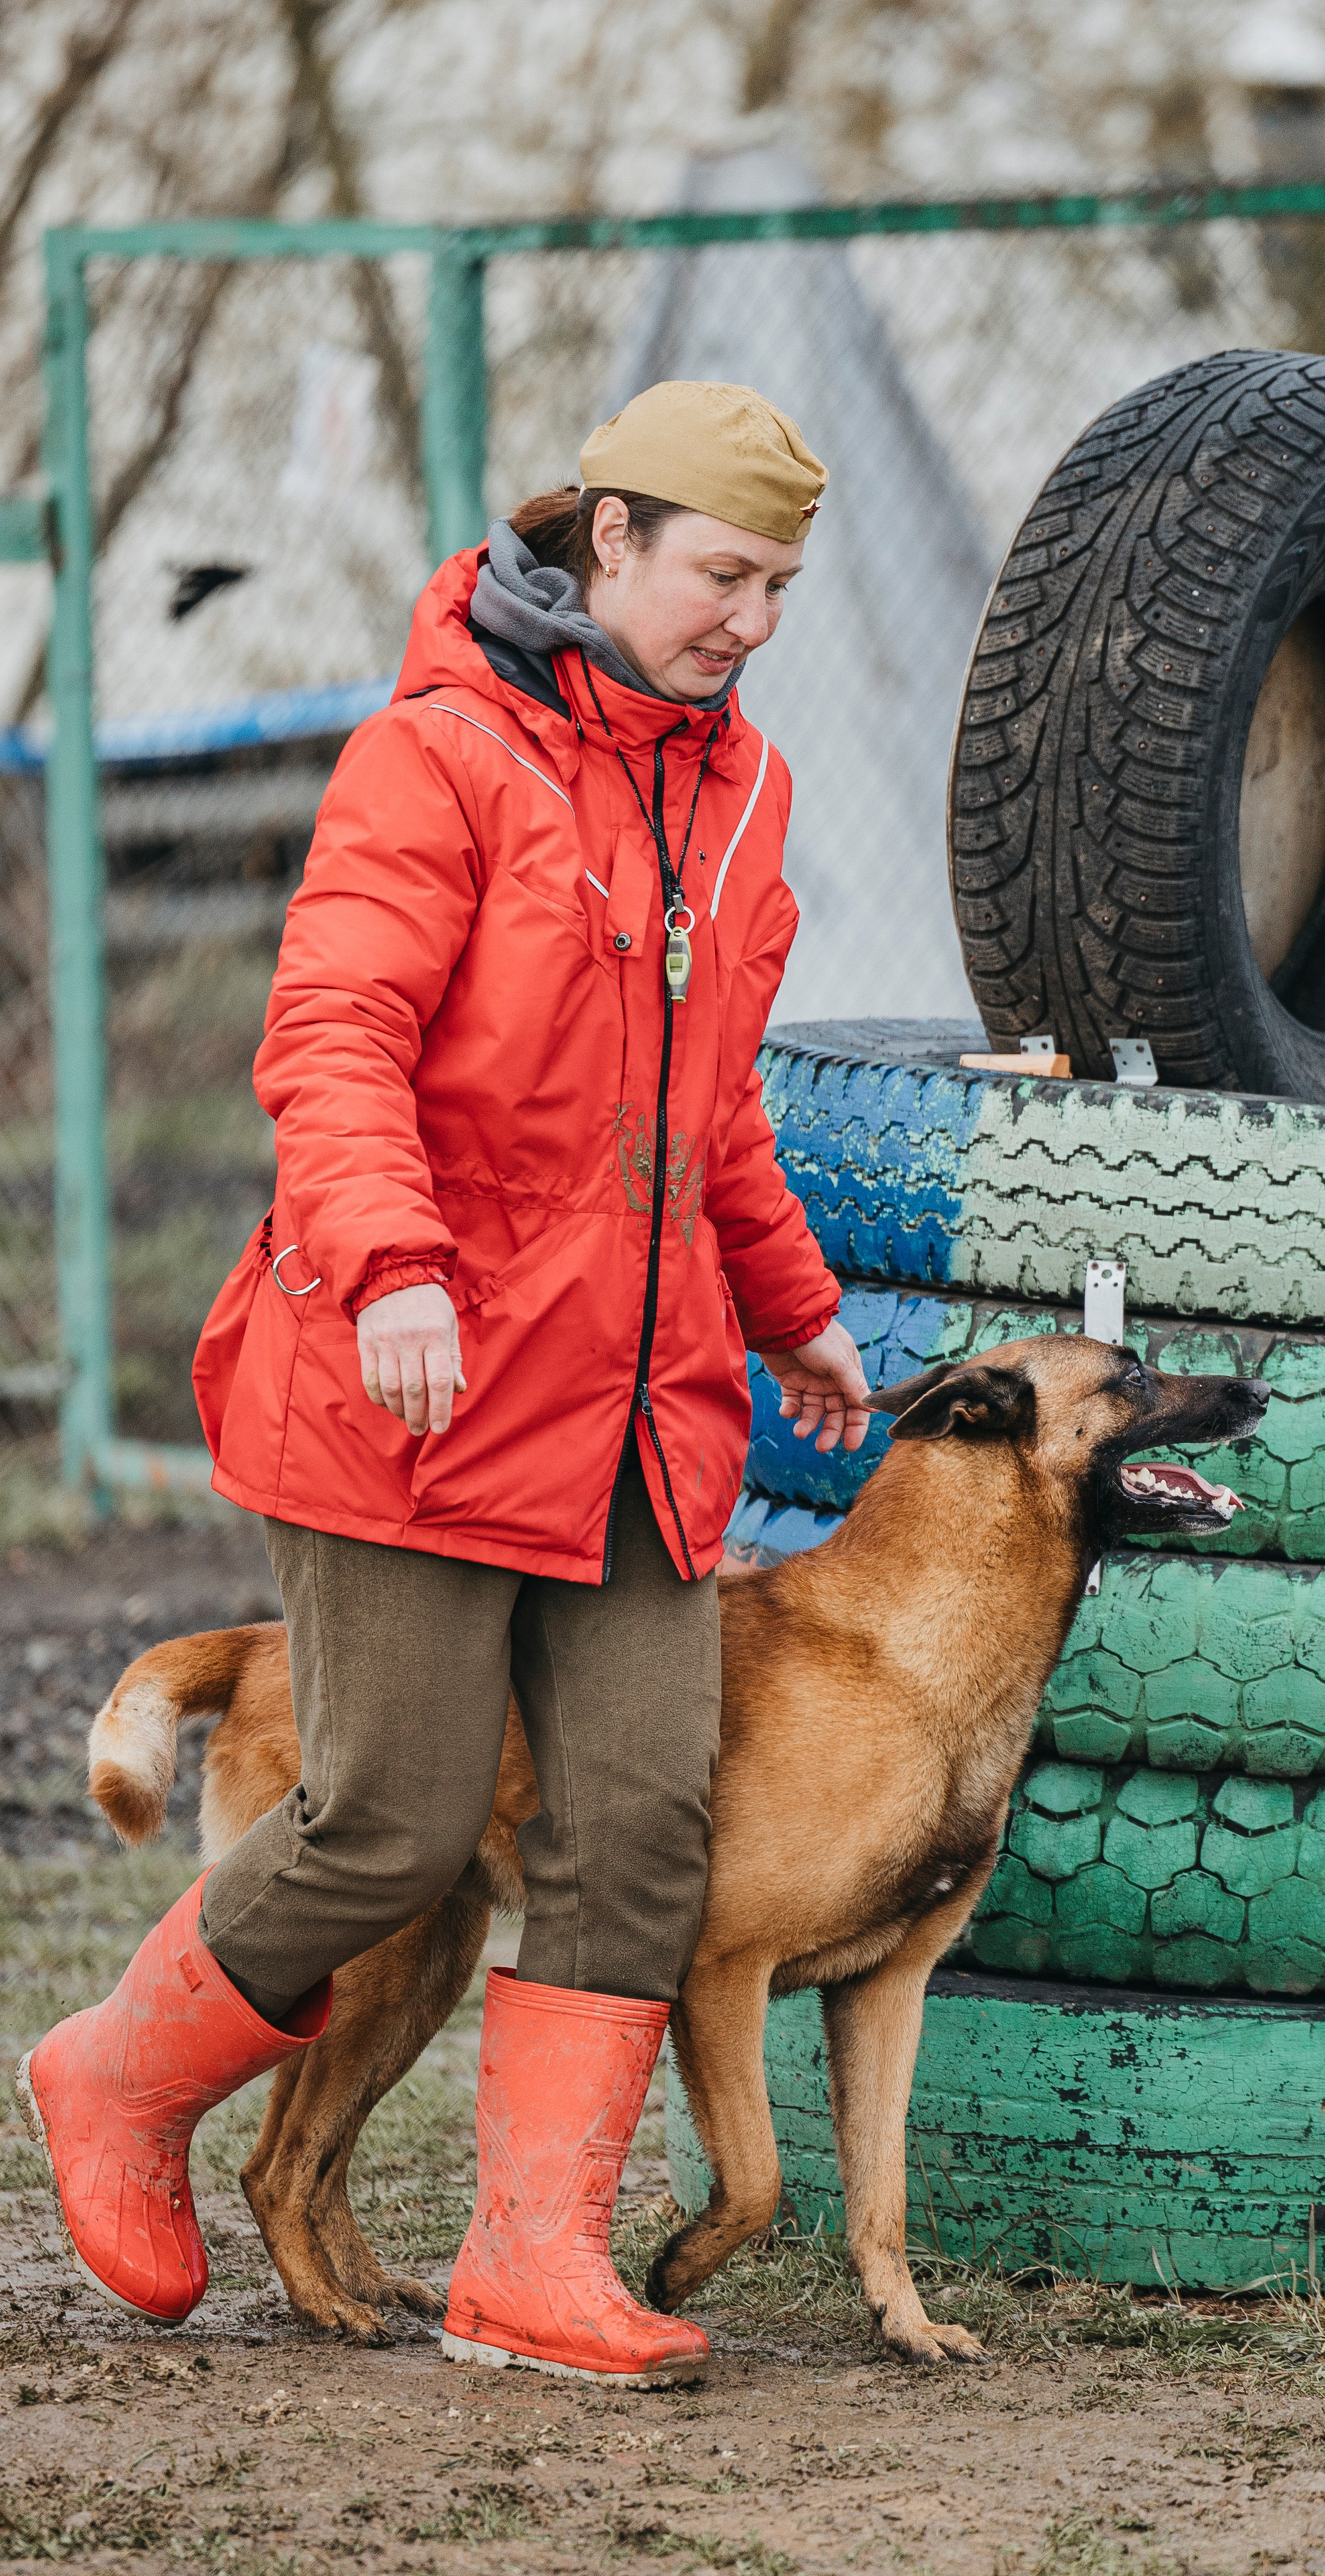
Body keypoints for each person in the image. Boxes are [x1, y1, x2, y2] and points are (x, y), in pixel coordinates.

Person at [17, 380, 872, 2386]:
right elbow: (335, 1036)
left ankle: (531, 2262)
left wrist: (791, 1303)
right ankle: (116, 2077)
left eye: (781, 587)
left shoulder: (745, 791)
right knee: (393, 1820)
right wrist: (394, 1265)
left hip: (641, 1409)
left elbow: (712, 1102)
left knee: (641, 1828)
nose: (752, 621)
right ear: (609, 539)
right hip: (415, 1385)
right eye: (723, 575)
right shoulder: (440, 751)